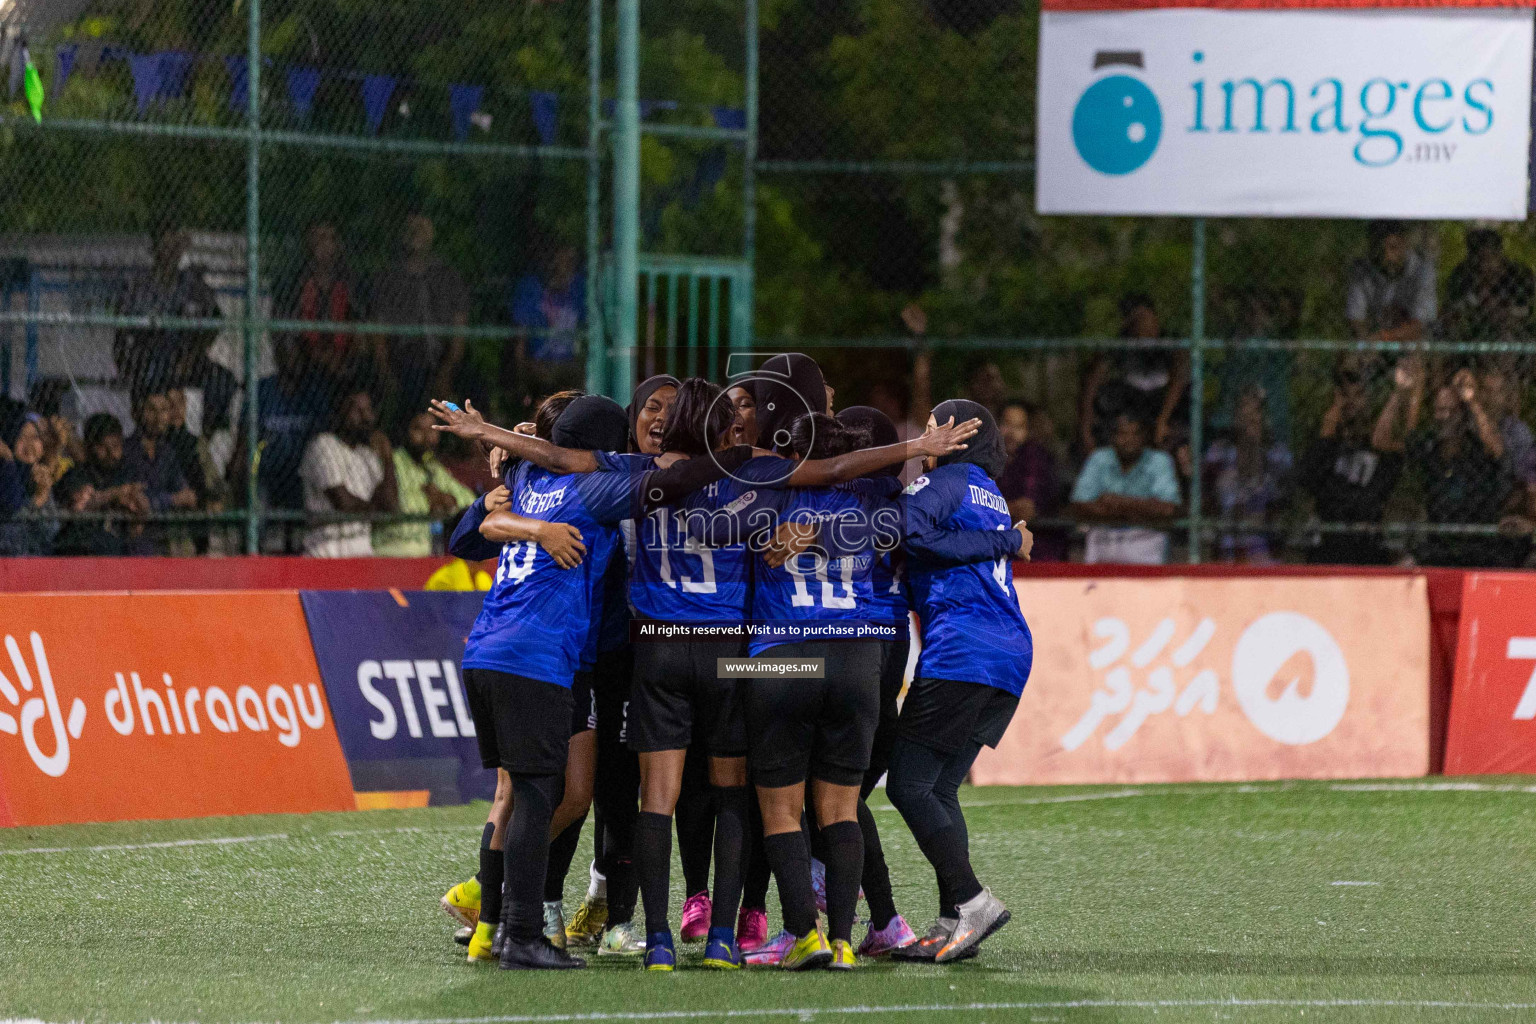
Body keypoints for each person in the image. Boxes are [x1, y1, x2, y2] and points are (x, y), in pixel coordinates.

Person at [887, 399, 1033, 965]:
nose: (924, 438)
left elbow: (909, 533)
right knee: (941, 787)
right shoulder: (989, 493)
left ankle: (972, 902)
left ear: (957, 436)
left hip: (962, 651)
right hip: (1009, 655)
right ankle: (954, 920)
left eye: (931, 428)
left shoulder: (946, 482)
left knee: (908, 785)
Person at [113, 220, 237, 434]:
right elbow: (122, 331)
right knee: (150, 381)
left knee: (222, 380)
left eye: (175, 246)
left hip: (185, 357)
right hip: (149, 357)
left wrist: (192, 355)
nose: (171, 252)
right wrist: (127, 364)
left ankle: (204, 439)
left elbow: (215, 321)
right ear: (155, 249)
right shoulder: (139, 285)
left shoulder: (192, 284)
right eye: (165, 245)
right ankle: (150, 434)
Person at [1391, 371, 1522, 568]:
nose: (1444, 417)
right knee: (1403, 565)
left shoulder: (1476, 448)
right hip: (1438, 544)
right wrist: (1400, 393)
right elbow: (1381, 441)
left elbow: (1497, 449)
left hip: (1478, 544)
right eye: (1439, 410)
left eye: (1451, 410)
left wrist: (1471, 400)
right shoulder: (1430, 447)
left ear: (1462, 415)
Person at [1298, 361, 1409, 566]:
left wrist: (1398, 394)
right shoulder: (1329, 443)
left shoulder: (1377, 446)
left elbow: (1385, 478)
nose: (1350, 403)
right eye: (1344, 396)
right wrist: (1330, 424)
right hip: (1329, 541)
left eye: (1357, 395)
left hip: (1365, 542)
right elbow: (1306, 477)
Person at [370, 213, 469, 428]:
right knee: (410, 385)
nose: (417, 233)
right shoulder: (389, 279)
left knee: (472, 383)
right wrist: (385, 370)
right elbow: (378, 333)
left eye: (423, 227)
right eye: (412, 227)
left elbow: (460, 330)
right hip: (407, 356)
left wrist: (449, 367)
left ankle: (472, 450)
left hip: (444, 355)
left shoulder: (448, 277)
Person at [228, 339, 327, 553]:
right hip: (266, 473)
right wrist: (237, 470)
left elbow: (323, 438)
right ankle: (253, 556)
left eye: (299, 355)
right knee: (258, 507)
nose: (295, 361)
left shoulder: (313, 392)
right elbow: (245, 436)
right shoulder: (263, 389)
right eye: (289, 355)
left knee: (304, 516)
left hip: (301, 476)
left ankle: (297, 556)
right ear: (278, 358)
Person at [1079, 294, 1190, 453]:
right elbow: (1093, 379)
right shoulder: (1121, 345)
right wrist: (1085, 428)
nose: (1143, 325)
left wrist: (1162, 420)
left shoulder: (1170, 342)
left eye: (1146, 318)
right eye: (1136, 320)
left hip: (1161, 404)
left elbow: (1179, 379)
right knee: (1108, 396)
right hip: (1133, 404)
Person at [1069, 413, 1182, 565]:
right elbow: (1079, 505)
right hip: (1103, 540)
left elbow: (1168, 509)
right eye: (1122, 434)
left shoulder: (1159, 460)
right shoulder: (1099, 458)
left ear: (1145, 437)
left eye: (1136, 434)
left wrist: (1118, 502)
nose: (1129, 440)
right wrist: (1140, 509)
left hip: (1145, 541)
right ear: (1112, 437)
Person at [298, 390, 398, 557]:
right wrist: (376, 510)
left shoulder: (367, 455)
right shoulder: (323, 445)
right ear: (339, 413)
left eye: (368, 411)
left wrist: (388, 459)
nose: (365, 418)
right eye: (357, 411)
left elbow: (390, 505)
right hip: (325, 553)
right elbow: (344, 503)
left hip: (362, 554)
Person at [1203, 384, 1294, 564]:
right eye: (1243, 409)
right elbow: (1208, 499)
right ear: (1235, 416)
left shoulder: (1278, 454)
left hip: (1264, 549)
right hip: (1226, 547)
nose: (1249, 416)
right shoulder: (1219, 452)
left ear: (1264, 415)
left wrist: (1256, 449)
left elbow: (1283, 502)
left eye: (1256, 410)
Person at [281, 221, 372, 392]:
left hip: (344, 355)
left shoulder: (349, 281)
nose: (324, 245)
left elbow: (359, 324)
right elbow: (289, 330)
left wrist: (347, 356)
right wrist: (318, 355)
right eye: (319, 238)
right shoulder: (295, 282)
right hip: (308, 357)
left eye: (330, 238)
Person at [373, 410, 477, 557]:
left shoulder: (432, 467)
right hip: (390, 550)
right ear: (405, 432)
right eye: (418, 429)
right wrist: (430, 502)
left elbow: (469, 500)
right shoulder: (392, 461)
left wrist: (446, 499)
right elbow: (403, 508)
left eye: (432, 430)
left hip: (424, 552)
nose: (426, 437)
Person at [52, 413, 147, 554]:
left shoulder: (126, 472)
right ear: (90, 446)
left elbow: (140, 515)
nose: (112, 454)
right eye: (103, 447)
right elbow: (80, 506)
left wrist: (136, 504)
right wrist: (115, 494)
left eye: (116, 446)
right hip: (78, 551)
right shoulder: (77, 474)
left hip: (116, 553)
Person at [121, 388, 198, 554]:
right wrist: (172, 499)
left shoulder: (167, 453)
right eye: (151, 410)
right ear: (136, 413)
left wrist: (162, 501)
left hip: (163, 534)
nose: (159, 418)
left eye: (164, 410)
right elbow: (138, 501)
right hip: (135, 538)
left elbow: (188, 496)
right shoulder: (126, 451)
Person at [510, 245, 587, 406]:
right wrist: (523, 367)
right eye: (558, 261)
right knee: (544, 384)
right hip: (539, 361)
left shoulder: (579, 287)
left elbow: (587, 333)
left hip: (568, 363)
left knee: (576, 379)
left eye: (569, 262)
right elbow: (520, 339)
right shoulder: (531, 288)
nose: (563, 266)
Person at [996, 401, 1067, 562]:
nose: (1011, 432)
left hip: (1037, 555)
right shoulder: (987, 457)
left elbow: (1026, 509)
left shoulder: (1035, 457)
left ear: (1028, 431)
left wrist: (986, 508)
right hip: (997, 552)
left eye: (1019, 427)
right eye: (1006, 424)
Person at [1347, 220, 1436, 345]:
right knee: (1350, 360)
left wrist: (1382, 338)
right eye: (1381, 250)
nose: (1387, 256)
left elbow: (1420, 325)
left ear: (1405, 245)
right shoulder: (1362, 270)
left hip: (1410, 343)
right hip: (1372, 340)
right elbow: (1356, 318)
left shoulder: (1422, 269)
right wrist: (1366, 342)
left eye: (1393, 248)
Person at [1441, 228, 1534, 343]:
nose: (1483, 266)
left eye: (1488, 258)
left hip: (1511, 329)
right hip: (1472, 330)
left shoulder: (1518, 274)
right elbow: (1451, 311)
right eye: (1477, 259)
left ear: (1499, 254)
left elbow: (1525, 310)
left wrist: (1502, 311)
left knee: (1507, 338)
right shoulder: (1462, 275)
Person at [0, 406, 57, 555]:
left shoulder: (40, 475)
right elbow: (8, 534)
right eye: (21, 437)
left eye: (35, 438)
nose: (29, 444)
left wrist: (44, 493)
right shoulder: (5, 473)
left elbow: (50, 532)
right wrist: (38, 500)